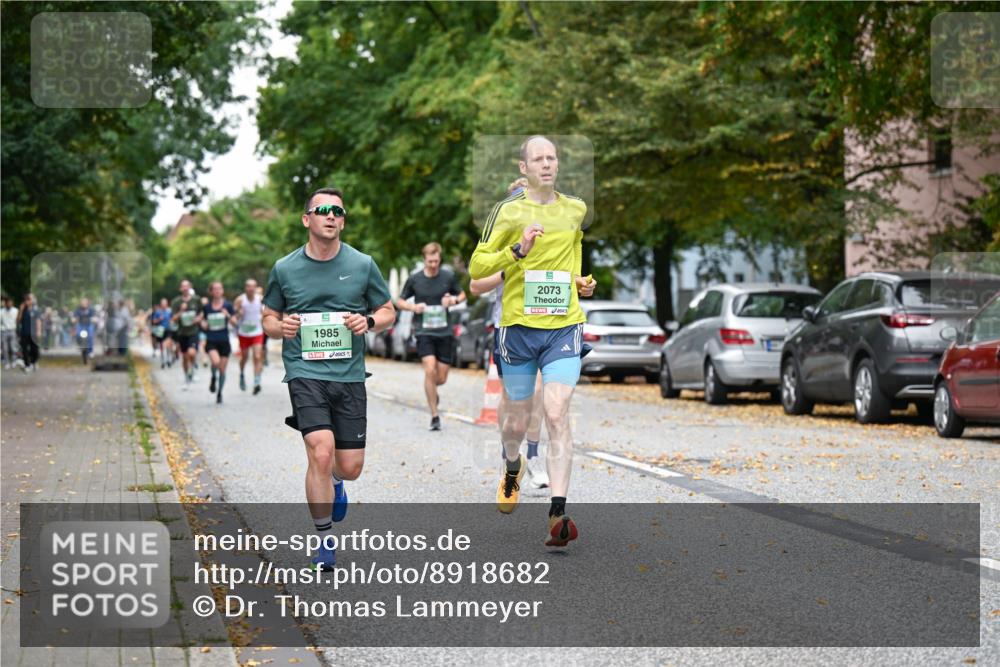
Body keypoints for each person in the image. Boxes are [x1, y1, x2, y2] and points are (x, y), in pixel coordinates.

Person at [469, 136, 596, 548]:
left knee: (556, 412)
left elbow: (572, 255)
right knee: (516, 422)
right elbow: (477, 267)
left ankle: (558, 513)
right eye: (538, 159)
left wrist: (579, 282)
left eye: (551, 157)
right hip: (518, 331)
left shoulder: (575, 209)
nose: (546, 164)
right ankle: (512, 466)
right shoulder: (506, 212)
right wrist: (517, 251)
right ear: (523, 168)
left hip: (563, 326)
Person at [263, 186, 395, 571]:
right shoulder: (284, 268)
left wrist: (368, 321)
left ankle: (337, 480)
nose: (331, 216)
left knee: (349, 466)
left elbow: (387, 311)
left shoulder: (362, 264)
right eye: (322, 211)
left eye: (338, 212)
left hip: (349, 375)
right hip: (304, 372)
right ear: (307, 219)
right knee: (320, 451)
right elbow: (268, 318)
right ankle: (324, 542)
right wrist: (281, 327)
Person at [395, 242, 466, 431]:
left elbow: (462, 295)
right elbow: (399, 301)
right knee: (429, 368)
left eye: (436, 261)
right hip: (424, 331)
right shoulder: (415, 279)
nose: (433, 265)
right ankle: (434, 415)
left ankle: (433, 391)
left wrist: (453, 300)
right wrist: (413, 307)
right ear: (424, 259)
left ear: (439, 259)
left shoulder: (448, 276)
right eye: (430, 261)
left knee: (441, 378)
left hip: (444, 332)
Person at [198, 281, 235, 404]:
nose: (218, 291)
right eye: (215, 289)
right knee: (216, 362)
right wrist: (204, 324)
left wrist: (227, 315)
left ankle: (219, 393)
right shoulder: (207, 307)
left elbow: (235, 322)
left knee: (222, 370)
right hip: (211, 340)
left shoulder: (228, 306)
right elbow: (202, 321)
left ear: (222, 291)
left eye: (220, 288)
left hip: (224, 341)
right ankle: (214, 377)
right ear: (211, 292)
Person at [233, 278, 265, 395]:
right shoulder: (240, 300)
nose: (251, 288)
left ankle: (257, 381)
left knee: (257, 356)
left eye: (253, 286)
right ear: (245, 288)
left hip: (257, 332)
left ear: (256, 288)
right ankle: (242, 374)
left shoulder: (260, 299)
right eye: (249, 286)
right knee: (244, 357)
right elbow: (234, 317)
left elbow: (265, 314)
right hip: (244, 333)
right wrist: (239, 314)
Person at [171, 280, 201, 387]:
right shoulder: (176, 302)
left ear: (190, 287)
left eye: (187, 286)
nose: (185, 288)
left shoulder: (196, 300)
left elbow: (202, 312)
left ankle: (193, 368)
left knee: (192, 353)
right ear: (180, 289)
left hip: (193, 331)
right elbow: (173, 319)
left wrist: (198, 318)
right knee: (184, 357)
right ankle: (186, 376)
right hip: (182, 333)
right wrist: (181, 311)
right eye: (183, 286)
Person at [17, 293, 41, 372]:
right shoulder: (23, 310)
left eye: (29, 300)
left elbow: (38, 321)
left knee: (35, 349)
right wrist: (21, 310)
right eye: (26, 300)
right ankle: (27, 365)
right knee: (24, 350)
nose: (27, 301)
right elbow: (18, 321)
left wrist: (38, 331)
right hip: (24, 332)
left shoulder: (36, 310)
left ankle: (34, 362)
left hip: (33, 333)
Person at [150, 298, 173, 368]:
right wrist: (159, 319)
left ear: (167, 304)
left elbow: (173, 319)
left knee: (168, 344)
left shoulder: (169, 312)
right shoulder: (157, 312)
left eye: (165, 304)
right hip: (160, 331)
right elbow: (153, 321)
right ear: (161, 304)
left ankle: (168, 359)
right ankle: (163, 360)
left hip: (168, 330)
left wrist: (171, 322)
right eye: (163, 304)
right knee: (162, 346)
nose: (164, 305)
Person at [72, 297, 96, 364]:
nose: (84, 303)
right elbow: (74, 316)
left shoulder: (91, 309)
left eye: (85, 302)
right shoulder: (78, 309)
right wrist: (73, 319)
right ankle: (80, 345)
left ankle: (90, 351)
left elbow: (94, 316)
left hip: (89, 325)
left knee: (90, 336)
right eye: (82, 302)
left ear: (87, 303)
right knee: (78, 334)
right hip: (81, 325)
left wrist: (95, 319)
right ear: (81, 303)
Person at [2, 297, 19, 368]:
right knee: (5, 348)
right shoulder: (1, 311)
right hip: (4, 331)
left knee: (13, 347)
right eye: (8, 302)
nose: (9, 304)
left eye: (10, 302)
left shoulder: (16, 310)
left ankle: (14, 361)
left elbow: (17, 320)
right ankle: (7, 362)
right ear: (6, 303)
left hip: (12, 330)